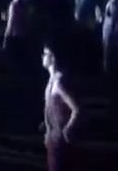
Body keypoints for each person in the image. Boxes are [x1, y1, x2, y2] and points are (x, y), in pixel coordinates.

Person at [39, 43, 80, 171]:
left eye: (45, 54)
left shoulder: (59, 82)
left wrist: (68, 128)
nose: (42, 57)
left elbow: (76, 109)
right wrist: (46, 127)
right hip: (52, 138)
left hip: (59, 139)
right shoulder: (51, 81)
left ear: (53, 57)